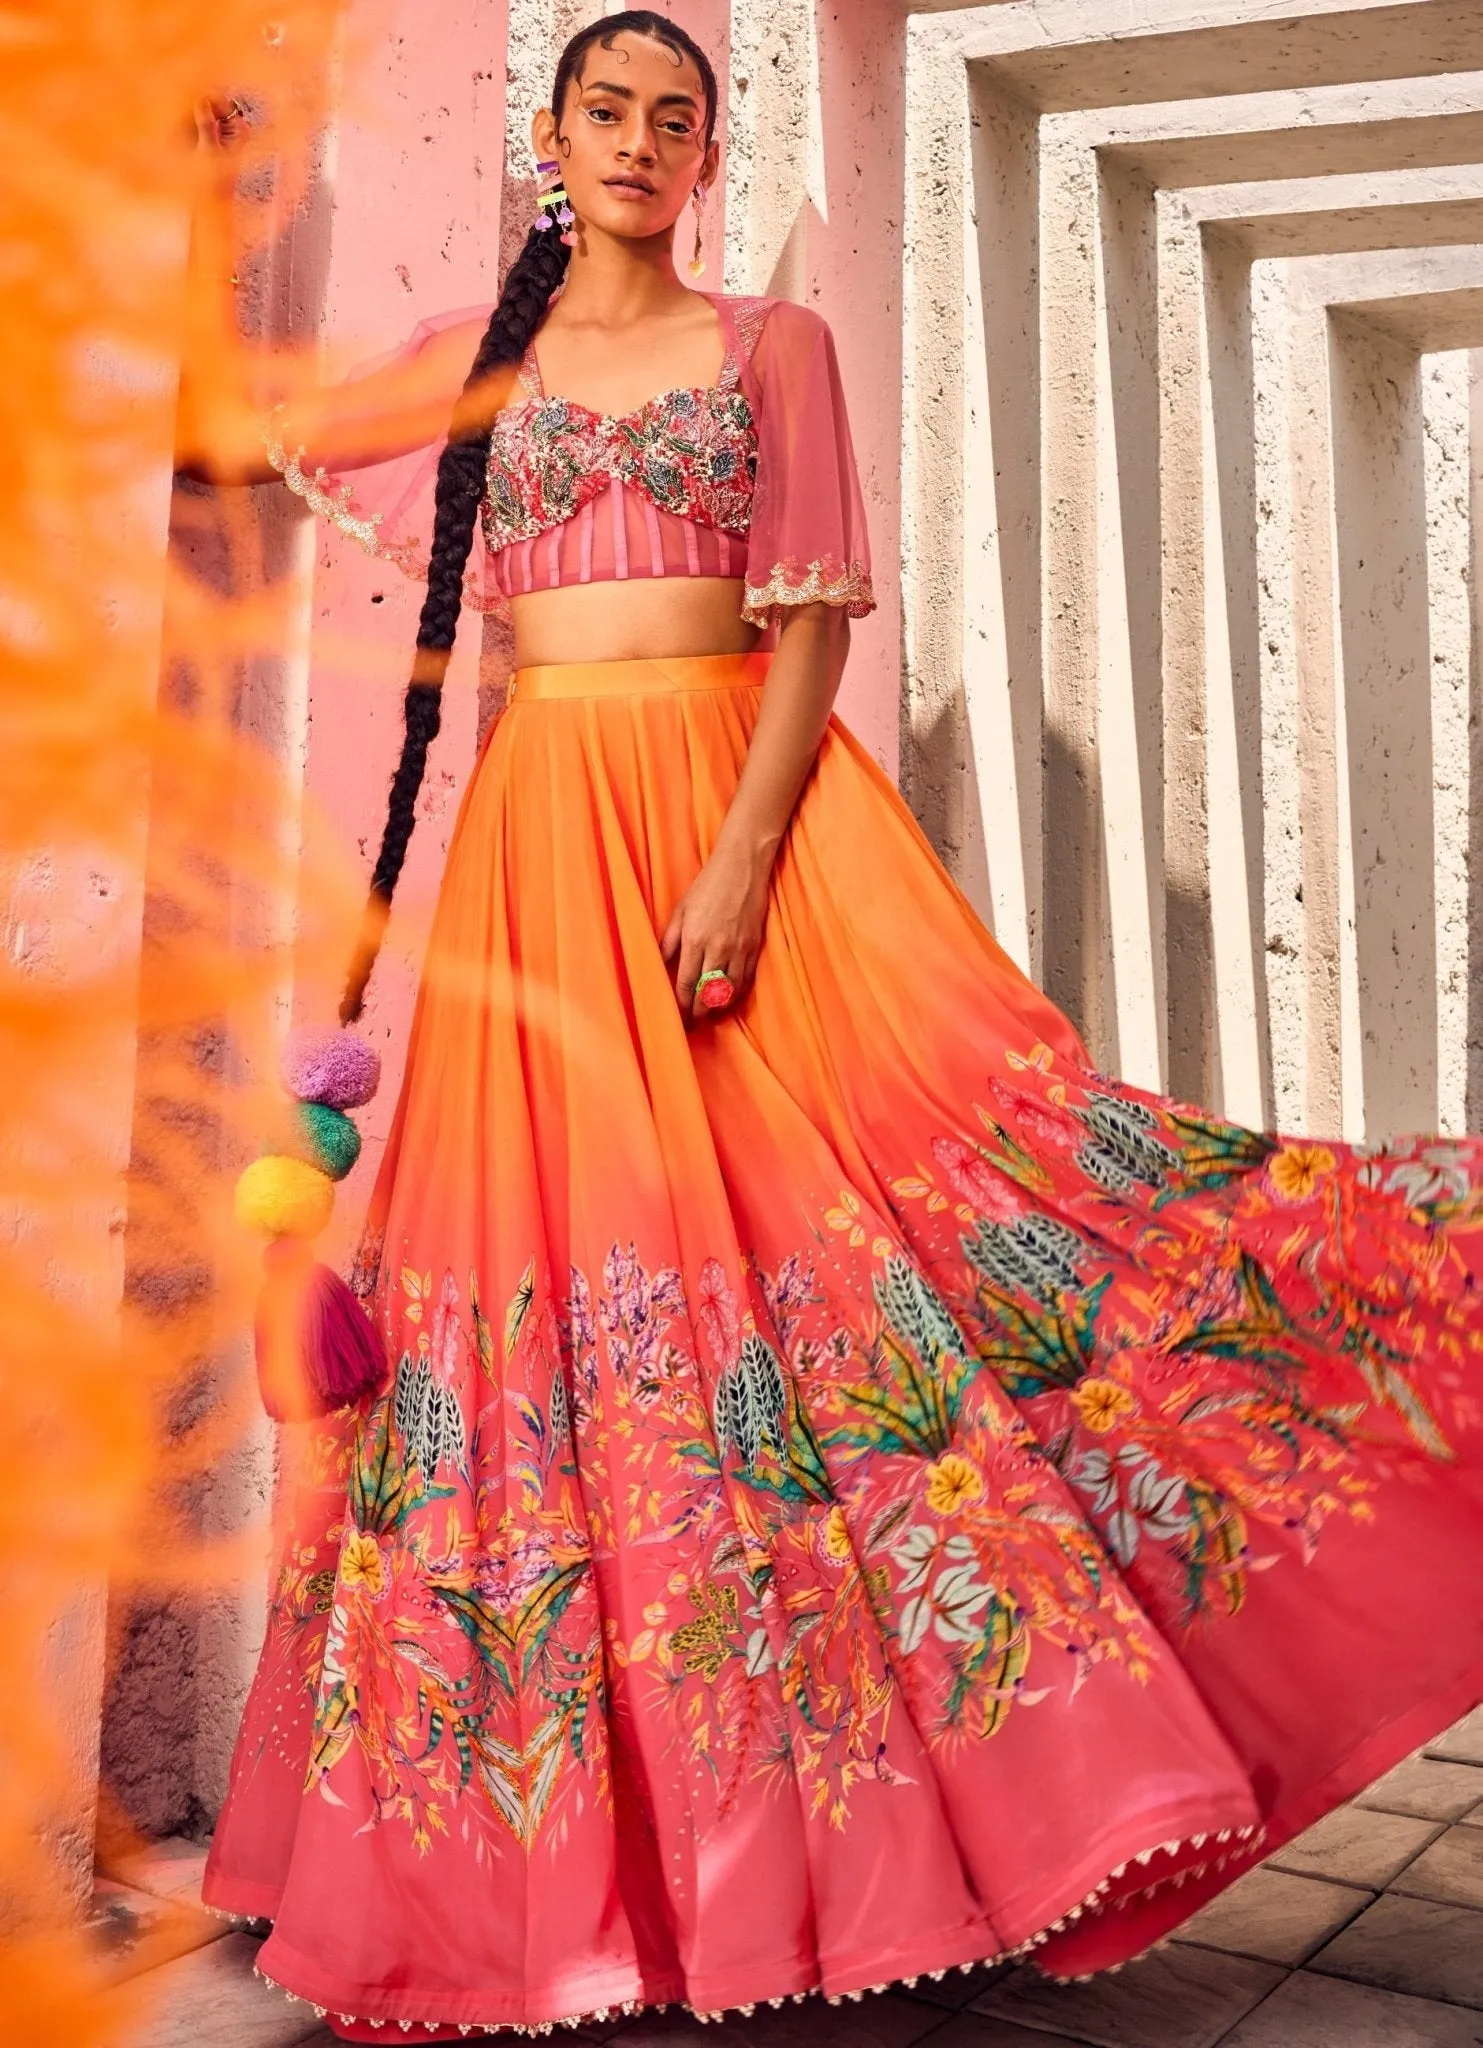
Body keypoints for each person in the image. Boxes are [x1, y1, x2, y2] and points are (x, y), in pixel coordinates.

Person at [194, 11, 1483, 2039]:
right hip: (536, 863)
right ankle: (627, 1876)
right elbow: (238, 433)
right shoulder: (483, 355)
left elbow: (804, 632)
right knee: (560, 1303)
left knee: (907, 1234)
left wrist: (739, 860)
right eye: (608, 111)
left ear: (707, 156)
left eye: (676, 120)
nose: (640, 143)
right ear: (553, 138)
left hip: (738, 826)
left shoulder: (767, 346)